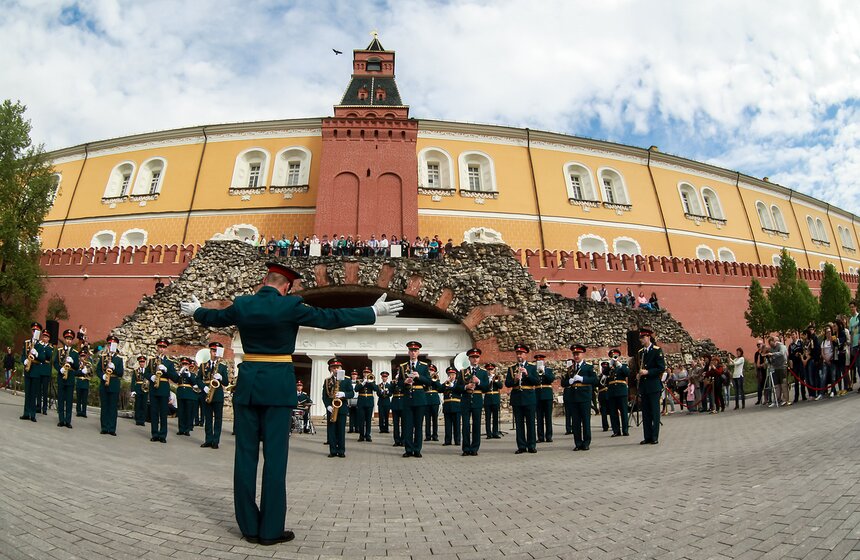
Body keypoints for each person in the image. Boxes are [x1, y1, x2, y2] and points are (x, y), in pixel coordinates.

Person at [180, 263, 402, 545]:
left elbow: (216, 316)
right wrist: (373, 312)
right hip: (277, 388)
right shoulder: (290, 306)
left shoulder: (243, 304)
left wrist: (196, 311)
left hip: (248, 387)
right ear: (286, 287)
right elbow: (330, 317)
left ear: (265, 280)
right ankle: (270, 530)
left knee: (245, 457)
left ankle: (248, 526)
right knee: (275, 459)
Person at [397, 340, 431, 458]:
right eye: (411, 351)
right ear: (408, 352)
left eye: (415, 351)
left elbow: (429, 381)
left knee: (418, 425)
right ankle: (408, 449)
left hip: (420, 397)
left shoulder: (424, 366)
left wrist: (419, 376)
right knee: (407, 425)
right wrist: (404, 382)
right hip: (407, 398)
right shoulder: (402, 366)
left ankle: (417, 449)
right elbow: (398, 383)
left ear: (418, 352)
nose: (413, 353)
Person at [454, 348, 489, 456]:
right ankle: (465, 448)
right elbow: (457, 388)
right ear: (469, 358)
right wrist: (465, 386)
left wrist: (479, 382)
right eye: (473, 357)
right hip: (466, 399)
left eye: (477, 357)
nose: (475, 359)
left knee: (476, 425)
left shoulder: (483, 372)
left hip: (477, 400)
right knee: (465, 425)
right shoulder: (463, 372)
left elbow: (487, 388)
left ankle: (474, 448)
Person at [505, 344, 539, 454]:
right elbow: (507, 383)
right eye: (518, 353)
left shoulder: (532, 367)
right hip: (517, 398)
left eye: (521, 353)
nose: (519, 355)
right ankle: (521, 446)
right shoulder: (512, 369)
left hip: (529, 397)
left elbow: (537, 381)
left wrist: (527, 374)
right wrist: (515, 379)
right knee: (519, 424)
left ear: (525, 355)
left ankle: (531, 445)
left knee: (530, 423)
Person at [564, 343, 597, 451]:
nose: (576, 356)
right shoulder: (570, 368)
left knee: (585, 421)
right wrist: (568, 381)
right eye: (574, 354)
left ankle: (586, 442)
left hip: (584, 396)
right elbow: (563, 382)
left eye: (578, 354)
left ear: (582, 354)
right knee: (576, 422)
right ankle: (578, 443)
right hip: (573, 397)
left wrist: (582, 379)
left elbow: (594, 380)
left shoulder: (588, 367)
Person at [637, 327, 665, 445]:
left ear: (648, 337)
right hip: (644, 386)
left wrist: (648, 372)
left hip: (653, 385)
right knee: (646, 413)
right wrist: (639, 374)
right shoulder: (640, 352)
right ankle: (647, 436)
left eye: (643, 337)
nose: (641, 340)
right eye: (640, 338)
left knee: (654, 412)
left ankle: (654, 436)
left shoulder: (656, 350)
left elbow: (661, 367)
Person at [147, 338, 179, 442]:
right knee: (154, 412)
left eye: (164, 347)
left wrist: (166, 370)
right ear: (157, 348)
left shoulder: (169, 362)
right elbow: (146, 372)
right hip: (154, 388)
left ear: (166, 349)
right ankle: (155, 434)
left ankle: (163, 435)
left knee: (163, 413)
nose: (161, 349)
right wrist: (150, 377)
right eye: (160, 347)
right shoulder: (152, 361)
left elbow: (175, 378)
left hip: (164, 388)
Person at [199, 342, 230, 448]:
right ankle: (208, 439)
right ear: (210, 351)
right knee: (207, 418)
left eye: (216, 351)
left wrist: (221, 378)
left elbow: (226, 382)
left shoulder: (222, 366)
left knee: (218, 419)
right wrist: (204, 387)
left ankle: (215, 441)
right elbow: (198, 379)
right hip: (207, 393)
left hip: (217, 395)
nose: (214, 353)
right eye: (213, 350)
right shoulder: (203, 365)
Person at [322, 358, 353, 458]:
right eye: (333, 368)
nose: (336, 369)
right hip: (332, 408)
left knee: (341, 431)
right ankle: (332, 451)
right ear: (330, 369)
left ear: (341, 368)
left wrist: (344, 394)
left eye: (337, 367)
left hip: (342, 407)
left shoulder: (347, 380)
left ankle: (341, 450)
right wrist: (328, 406)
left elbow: (351, 393)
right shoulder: (327, 381)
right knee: (331, 431)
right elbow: (324, 396)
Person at [96, 335, 124, 436]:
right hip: (104, 384)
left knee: (112, 407)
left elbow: (121, 373)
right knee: (104, 406)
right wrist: (102, 376)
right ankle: (104, 427)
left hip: (114, 383)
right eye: (109, 344)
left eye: (113, 344)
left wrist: (114, 367)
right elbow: (98, 370)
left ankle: (112, 428)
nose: (110, 346)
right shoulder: (103, 357)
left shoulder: (119, 359)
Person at [53, 329, 79, 429]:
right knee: (60, 400)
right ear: (65, 339)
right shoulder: (60, 351)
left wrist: (72, 361)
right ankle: (61, 420)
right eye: (67, 338)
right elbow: (55, 363)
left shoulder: (75, 353)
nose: (68, 341)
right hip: (61, 377)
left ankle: (68, 421)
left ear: (72, 340)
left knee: (69, 400)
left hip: (70, 378)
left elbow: (77, 367)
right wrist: (60, 369)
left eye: (70, 339)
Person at [605, 348, 630, 437]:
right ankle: (616, 430)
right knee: (613, 412)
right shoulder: (609, 367)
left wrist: (619, 365)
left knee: (623, 411)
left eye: (615, 356)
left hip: (621, 390)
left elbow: (627, 373)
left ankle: (625, 430)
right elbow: (604, 373)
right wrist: (609, 365)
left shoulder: (623, 366)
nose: (614, 358)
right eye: (612, 357)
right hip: (612, 391)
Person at [438, 366, 461, 446]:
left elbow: (460, 390)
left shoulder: (458, 383)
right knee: (448, 425)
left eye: (453, 374)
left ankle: (457, 440)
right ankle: (448, 440)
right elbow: (439, 389)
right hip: (447, 406)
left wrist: (452, 386)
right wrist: (445, 383)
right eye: (449, 374)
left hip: (456, 405)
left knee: (457, 425)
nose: (451, 376)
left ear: (455, 375)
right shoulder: (446, 383)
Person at [534, 353, 555, 443]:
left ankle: (549, 436)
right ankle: (540, 437)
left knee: (548, 417)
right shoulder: (533, 371)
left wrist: (544, 372)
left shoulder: (548, 370)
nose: (539, 362)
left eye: (541, 360)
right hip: (537, 395)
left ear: (543, 361)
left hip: (547, 395)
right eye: (538, 361)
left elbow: (551, 379)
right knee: (539, 417)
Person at [355, 366, 376, 442]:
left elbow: (376, 389)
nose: (366, 374)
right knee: (361, 420)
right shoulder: (359, 381)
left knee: (368, 420)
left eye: (368, 372)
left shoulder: (372, 381)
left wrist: (371, 383)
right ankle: (361, 435)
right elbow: (356, 389)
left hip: (369, 402)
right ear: (363, 373)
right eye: (365, 372)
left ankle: (368, 435)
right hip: (361, 402)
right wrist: (363, 383)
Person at [483, 363, 502, 438]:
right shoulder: (484, 378)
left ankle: (495, 432)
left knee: (495, 416)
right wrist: (490, 381)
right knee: (488, 417)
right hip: (488, 397)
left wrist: (496, 381)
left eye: (491, 369)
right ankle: (488, 433)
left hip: (495, 397)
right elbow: (484, 389)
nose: (490, 371)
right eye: (488, 369)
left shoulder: (497, 377)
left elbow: (500, 386)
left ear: (494, 370)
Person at [130, 355, 150, 426]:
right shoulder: (136, 371)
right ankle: (138, 419)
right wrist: (132, 390)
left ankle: (142, 420)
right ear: (139, 362)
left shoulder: (147, 371)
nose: (142, 363)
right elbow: (133, 381)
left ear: (145, 363)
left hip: (145, 388)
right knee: (138, 404)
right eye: (141, 362)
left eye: (143, 362)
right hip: (138, 388)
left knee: (144, 405)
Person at [424, 364, 441, 442]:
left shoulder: (436, 379)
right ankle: (427, 435)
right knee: (427, 419)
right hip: (426, 399)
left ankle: (435, 435)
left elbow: (439, 387)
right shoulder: (425, 379)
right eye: (429, 370)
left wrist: (435, 380)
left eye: (432, 370)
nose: (431, 372)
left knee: (435, 419)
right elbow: (424, 386)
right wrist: (428, 379)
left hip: (434, 400)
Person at [75, 347, 92, 417]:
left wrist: (87, 370)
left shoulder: (88, 363)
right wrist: (81, 371)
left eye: (84, 356)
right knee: (78, 397)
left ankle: (84, 412)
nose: (83, 358)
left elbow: (91, 373)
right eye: (81, 356)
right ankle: (78, 411)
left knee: (84, 398)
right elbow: (75, 372)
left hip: (85, 381)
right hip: (79, 381)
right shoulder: (77, 363)